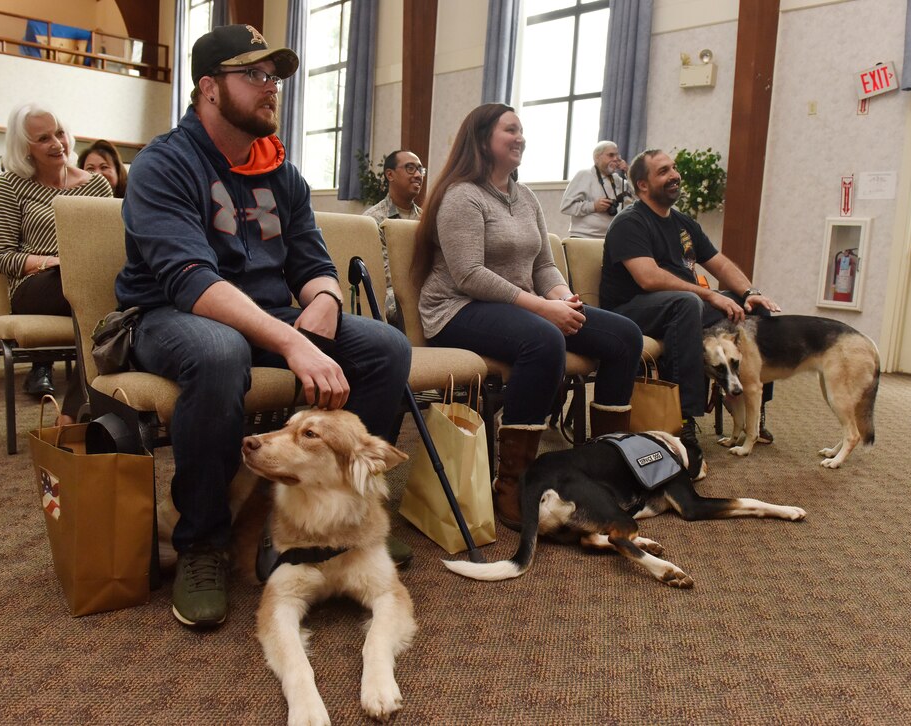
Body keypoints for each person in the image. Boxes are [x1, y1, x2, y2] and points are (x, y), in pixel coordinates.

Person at [117, 24, 411, 628]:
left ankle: (343, 519)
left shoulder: (282, 173)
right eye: (253, 74)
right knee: (220, 353)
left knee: (385, 347)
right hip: (172, 315)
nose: (270, 87)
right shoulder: (163, 164)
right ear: (209, 88)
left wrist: (325, 298)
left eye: (273, 77)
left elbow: (313, 264)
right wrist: (293, 340)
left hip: (270, 316)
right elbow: (190, 280)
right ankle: (204, 543)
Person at [412, 103, 644, 529]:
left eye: (521, 130)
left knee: (624, 336)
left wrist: (564, 299)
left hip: (518, 306)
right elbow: (468, 275)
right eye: (510, 130)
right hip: (456, 308)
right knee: (543, 339)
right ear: (483, 139)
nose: (520, 137)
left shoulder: (526, 197)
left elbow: (543, 265)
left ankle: (605, 467)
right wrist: (542, 308)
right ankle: (514, 483)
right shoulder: (461, 195)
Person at [600, 149, 781, 475]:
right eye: (663, 171)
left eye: (674, 168)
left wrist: (750, 293)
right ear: (643, 185)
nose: (675, 175)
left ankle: (754, 410)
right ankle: (683, 421)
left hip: (681, 304)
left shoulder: (683, 223)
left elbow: (719, 263)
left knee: (754, 311)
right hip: (630, 309)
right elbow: (648, 277)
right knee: (688, 304)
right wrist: (709, 295)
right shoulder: (630, 222)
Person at [0, 103, 113, 417]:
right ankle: (84, 410)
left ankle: (75, 411)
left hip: (87, 282)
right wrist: (51, 262)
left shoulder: (97, 185)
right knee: (104, 297)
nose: (57, 143)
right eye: (43, 138)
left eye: (59, 133)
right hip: (35, 286)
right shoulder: (10, 184)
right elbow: (2, 256)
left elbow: (109, 247)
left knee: (111, 300)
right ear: (25, 148)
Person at [362, 149, 424, 327]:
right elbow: (383, 274)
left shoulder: (425, 220)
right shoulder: (372, 220)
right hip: (390, 293)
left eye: (420, 169)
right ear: (390, 175)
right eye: (410, 168)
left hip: (424, 289)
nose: (418, 175)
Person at [560, 140, 631, 239]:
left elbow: (637, 194)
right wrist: (593, 206)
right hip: (584, 237)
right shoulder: (584, 175)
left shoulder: (616, 179)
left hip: (610, 238)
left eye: (617, 156)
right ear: (597, 157)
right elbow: (566, 206)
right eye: (611, 155)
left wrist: (628, 171)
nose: (616, 159)